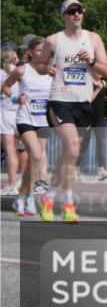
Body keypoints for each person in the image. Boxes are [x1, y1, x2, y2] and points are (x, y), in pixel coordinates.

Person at [43, 0, 107, 224]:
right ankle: (68, 204)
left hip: (83, 102)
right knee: (73, 148)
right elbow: (39, 64)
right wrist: (47, 68)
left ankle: (49, 196)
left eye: (79, 11)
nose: (76, 14)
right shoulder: (53, 41)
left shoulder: (93, 39)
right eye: (71, 11)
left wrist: (91, 60)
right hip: (59, 100)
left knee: (68, 153)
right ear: (63, 15)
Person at [2, 38, 55, 218]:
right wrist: (16, 98)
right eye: (39, 50)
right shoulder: (22, 70)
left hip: (44, 121)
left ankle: (22, 196)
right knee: (37, 155)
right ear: (30, 52)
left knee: (35, 159)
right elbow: (5, 86)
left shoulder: (52, 71)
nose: (43, 53)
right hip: (25, 119)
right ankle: (30, 196)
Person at [79, 76, 107, 181]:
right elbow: (87, 100)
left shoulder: (102, 82)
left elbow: (99, 99)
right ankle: (74, 169)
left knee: (101, 142)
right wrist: (98, 89)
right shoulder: (86, 81)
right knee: (83, 144)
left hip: (99, 118)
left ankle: (101, 169)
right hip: (87, 118)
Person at [1, 46, 20, 196]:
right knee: (18, 150)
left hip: (6, 112)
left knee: (9, 150)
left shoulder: (2, 73)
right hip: (21, 112)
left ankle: (12, 184)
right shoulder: (22, 71)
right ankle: (17, 183)